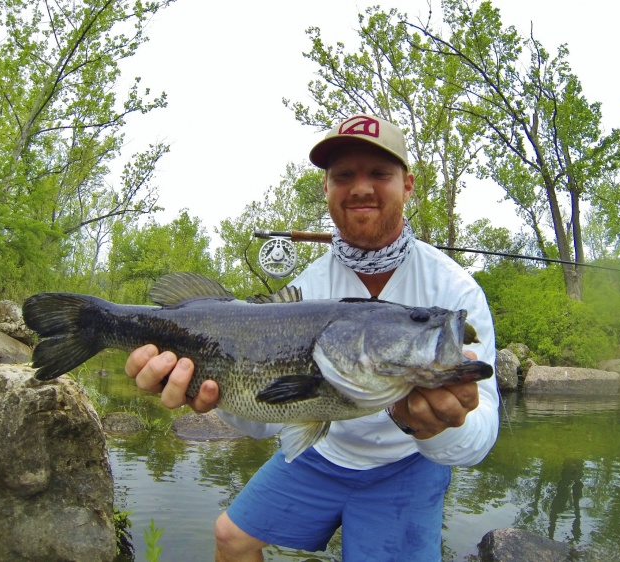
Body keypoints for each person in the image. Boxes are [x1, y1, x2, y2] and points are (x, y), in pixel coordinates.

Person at [125, 114, 500, 561]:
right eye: (344, 175)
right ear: (326, 189)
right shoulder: (306, 291)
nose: (360, 187)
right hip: (321, 454)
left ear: (408, 185)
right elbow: (265, 421)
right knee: (230, 537)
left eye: (380, 173)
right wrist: (210, 395)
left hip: (408, 466)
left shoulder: (454, 292)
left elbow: (479, 438)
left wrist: (439, 426)